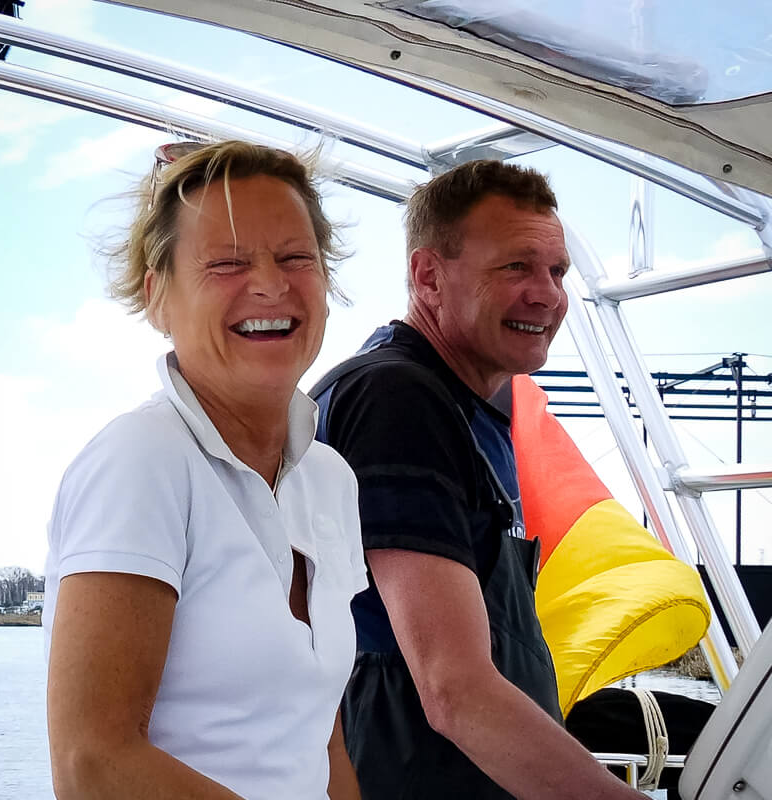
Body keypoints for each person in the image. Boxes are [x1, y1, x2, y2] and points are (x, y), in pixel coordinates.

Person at [311, 160, 647, 799]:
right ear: (428, 276)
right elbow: (454, 690)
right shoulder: (396, 400)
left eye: (557, 272)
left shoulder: (467, 412)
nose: (547, 295)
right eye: (516, 267)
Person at [42, 140, 367, 800]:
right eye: (227, 263)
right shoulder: (140, 460)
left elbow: (319, 738)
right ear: (157, 296)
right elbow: (93, 764)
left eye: (295, 258)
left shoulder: (330, 478)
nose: (271, 284)